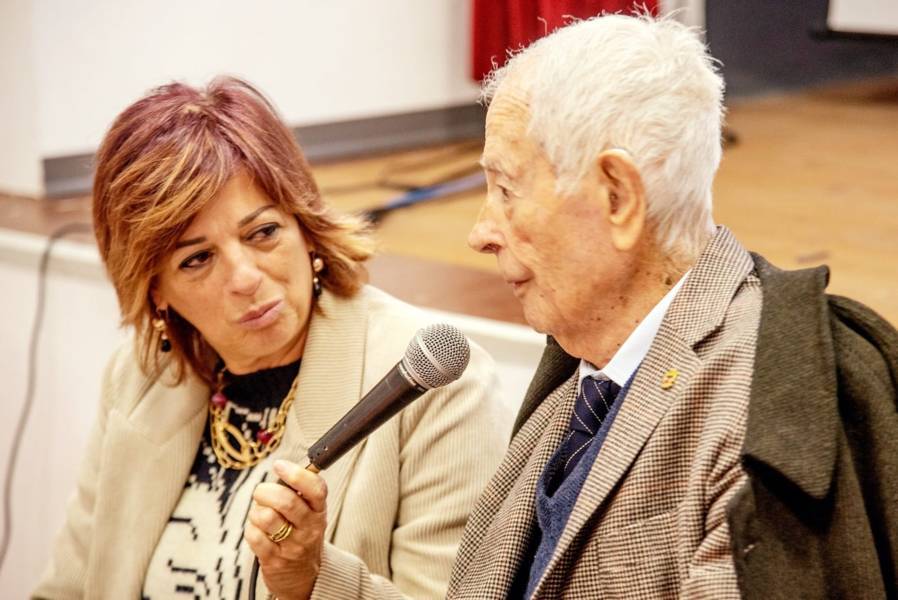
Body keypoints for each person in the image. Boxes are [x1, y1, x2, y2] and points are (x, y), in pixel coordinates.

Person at [448, 12, 898, 600]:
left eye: (507, 190)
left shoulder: (764, 408)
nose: (480, 233)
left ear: (618, 197)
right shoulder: (582, 372)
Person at [32, 77, 508, 600]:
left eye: (262, 233)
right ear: (155, 290)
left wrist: (311, 580)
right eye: (197, 259)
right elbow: (67, 589)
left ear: (304, 225)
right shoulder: (139, 378)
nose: (245, 277)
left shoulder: (429, 384)